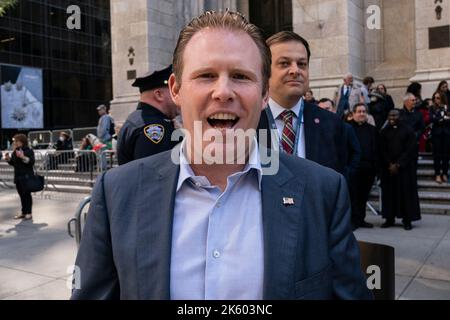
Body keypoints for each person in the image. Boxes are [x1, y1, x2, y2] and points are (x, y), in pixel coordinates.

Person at [71, 11, 370, 300]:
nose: (223, 92)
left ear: (264, 93)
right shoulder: (117, 194)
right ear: (176, 89)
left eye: (240, 76)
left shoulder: (323, 192)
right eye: (206, 75)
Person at [257, 31, 347, 175]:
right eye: (284, 63)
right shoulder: (250, 122)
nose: (295, 70)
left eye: (302, 64)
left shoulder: (331, 124)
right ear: (265, 72)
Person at [117, 65, 180, 165]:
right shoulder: (154, 127)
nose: (179, 97)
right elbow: (156, 175)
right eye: (174, 91)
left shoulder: (136, 119)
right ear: (159, 95)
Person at [380, 109, 421, 230]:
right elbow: (381, 149)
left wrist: (398, 164)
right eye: (390, 115)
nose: (392, 117)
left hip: (404, 169)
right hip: (388, 169)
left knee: (406, 195)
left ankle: (407, 220)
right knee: (389, 194)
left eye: (395, 115)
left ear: (400, 116)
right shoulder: (384, 131)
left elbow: (411, 150)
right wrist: (389, 164)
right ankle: (389, 218)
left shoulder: (408, 130)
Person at [349, 103, 380, 230]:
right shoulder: (347, 128)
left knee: (363, 196)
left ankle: (361, 219)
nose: (362, 114)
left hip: (368, 169)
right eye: (359, 111)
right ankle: (352, 221)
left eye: (364, 111)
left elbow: (377, 149)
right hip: (353, 169)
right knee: (353, 196)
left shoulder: (372, 130)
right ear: (353, 114)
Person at [317, 98, 361, 183]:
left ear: (334, 110)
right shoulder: (312, 130)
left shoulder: (346, 128)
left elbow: (356, 151)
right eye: (320, 109)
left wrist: (348, 171)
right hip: (318, 177)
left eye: (327, 109)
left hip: (340, 177)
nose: (324, 112)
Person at [4, 134, 35, 220]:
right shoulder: (15, 151)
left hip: (26, 177)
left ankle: (29, 213)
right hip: (18, 177)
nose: (15, 143)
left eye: (17, 141)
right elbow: (14, 163)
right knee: (21, 195)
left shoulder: (28, 150)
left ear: (22, 141)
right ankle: (23, 212)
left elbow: (31, 162)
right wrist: (8, 159)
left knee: (26, 195)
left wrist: (23, 157)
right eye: (14, 141)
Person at [429, 91, 450, 183]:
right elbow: (431, 119)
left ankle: (444, 173)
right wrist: (442, 118)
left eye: (437, 98)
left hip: (446, 133)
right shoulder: (432, 108)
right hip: (436, 134)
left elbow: (448, 119)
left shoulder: (447, 107)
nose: (435, 99)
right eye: (434, 98)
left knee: (446, 154)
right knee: (437, 155)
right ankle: (437, 174)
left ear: (442, 98)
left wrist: (441, 118)